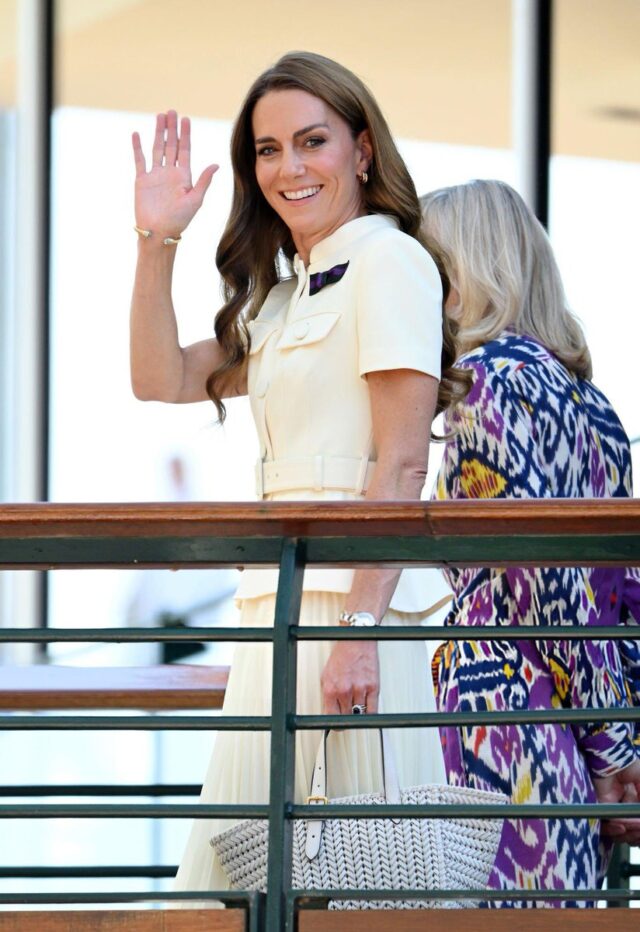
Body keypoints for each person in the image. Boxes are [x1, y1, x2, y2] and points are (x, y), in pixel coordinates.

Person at [130, 50, 466, 893]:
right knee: (244, 882)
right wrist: (157, 240)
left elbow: (401, 463)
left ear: (363, 150)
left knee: (360, 886)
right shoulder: (285, 297)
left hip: (351, 611)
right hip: (274, 610)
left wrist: (358, 633)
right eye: (268, 150)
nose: (290, 168)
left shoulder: (391, 262)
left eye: (312, 141)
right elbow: (160, 377)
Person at [420, 179, 640, 906]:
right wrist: (622, 747)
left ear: (459, 277)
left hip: (506, 707)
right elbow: (622, 595)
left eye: (425, 268)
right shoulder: (595, 407)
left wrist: (607, 743)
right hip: (579, 721)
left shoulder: (481, 384)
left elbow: (539, 576)